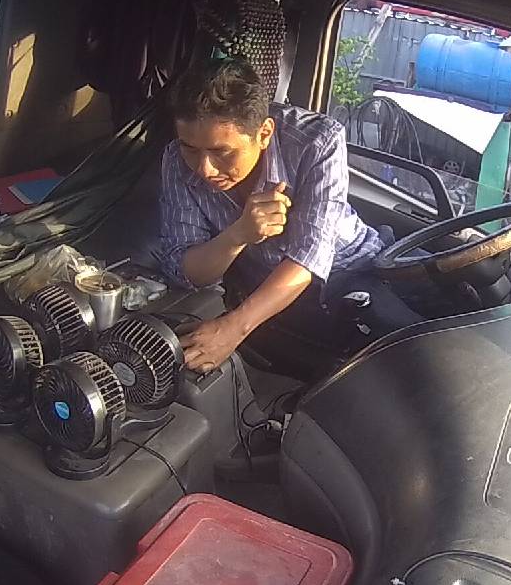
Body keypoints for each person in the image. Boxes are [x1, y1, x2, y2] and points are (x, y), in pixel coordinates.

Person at [158, 57, 421, 372]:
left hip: (356, 266)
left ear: (264, 133)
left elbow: (309, 258)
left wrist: (233, 328)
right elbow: (186, 271)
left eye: (221, 152)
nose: (204, 169)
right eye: (190, 148)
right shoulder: (176, 160)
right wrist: (238, 235)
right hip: (262, 284)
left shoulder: (318, 141)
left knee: (417, 353)